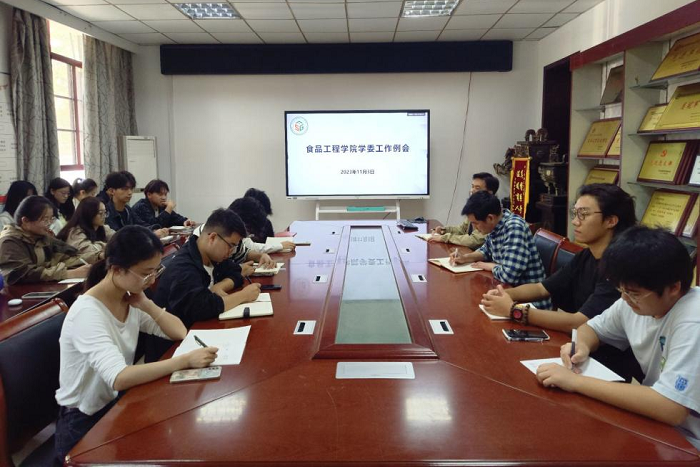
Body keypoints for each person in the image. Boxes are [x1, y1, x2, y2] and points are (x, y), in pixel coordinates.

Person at [54, 225, 218, 463]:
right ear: (117, 269)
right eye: (145, 273)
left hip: (114, 406)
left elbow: (179, 331)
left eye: (155, 271)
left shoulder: (129, 298)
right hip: (83, 423)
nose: (151, 280)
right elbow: (119, 377)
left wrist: (147, 304)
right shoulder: (87, 313)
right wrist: (183, 361)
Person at [536, 226, 700, 450]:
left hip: (689, 441)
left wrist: (575, 382)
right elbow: (590, 329)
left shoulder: (693, 320)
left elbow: (671, 408)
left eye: (633, 292)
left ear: (673, 288)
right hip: (658, 427)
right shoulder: (633, 302)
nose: (624, 298)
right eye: (621, 289)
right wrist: (581, 346)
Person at [481, 184, 635, 332]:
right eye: (575, 213)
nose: (575, 221)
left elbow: (579, 322)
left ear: (610, 221)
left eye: (583, 214)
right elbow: (541, 288)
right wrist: (503, 295)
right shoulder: (587, 255)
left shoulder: (620, 268)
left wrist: (514, 310)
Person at [147, 208, 261, 361]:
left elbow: (236, 272)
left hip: (199, 334)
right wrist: (243, 296)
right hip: (172, 351)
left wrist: (221, 286)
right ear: (212, 237)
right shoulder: (183, 268)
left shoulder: (213, 257)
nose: (231, 252)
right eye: (230, 246)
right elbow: (202, 307)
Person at [450, 190, 550, 309]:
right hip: (507, 293)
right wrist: (465, 258)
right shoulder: (496, 225)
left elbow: (509, 275)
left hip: (530, 303)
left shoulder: (514, 228)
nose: (474, 228)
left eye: (475, 223)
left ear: (490, 218)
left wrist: (490, 266)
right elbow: (486, 250)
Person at [0, 196, 90, 284]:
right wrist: (69, 273)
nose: (49, 223)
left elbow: (68, 254)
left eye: (51, 219)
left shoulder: (41, 236)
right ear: (25, 221)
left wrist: (95, 257)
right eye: (45, 219)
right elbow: (23, 274)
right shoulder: (9, 242)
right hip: (19, 291)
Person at [428, 172, 499, 249]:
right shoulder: (475, 207)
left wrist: (444, 238)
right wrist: (444, 230)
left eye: (477, 188)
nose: (472, 191)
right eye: (472, 186)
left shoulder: (491, 211)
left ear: (489, 193)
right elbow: (462, 229)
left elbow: (474, 240)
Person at [103, 172, 168, 238]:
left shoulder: (127, 209)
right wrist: (151, 233)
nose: (130, 192)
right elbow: (119, 236)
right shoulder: (106, 212)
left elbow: (141, 225)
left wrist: (155, 230)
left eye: (131, 188)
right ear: (112, 191)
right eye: (125, 189)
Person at [57, 196, 115, 263]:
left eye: (105, 212)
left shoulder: (103, 228)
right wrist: (107, 245)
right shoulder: (75, 232)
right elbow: (88, 251)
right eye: (100, 213)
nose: (104, 216)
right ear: (89, 214)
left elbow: (118, 239)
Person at [229, 196, 295, 254]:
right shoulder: (228, 237)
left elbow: (251, 246)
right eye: (249, 230)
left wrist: (279, 246)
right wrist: (280, 246)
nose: (248, 235)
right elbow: (250, 247)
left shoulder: (237, 235)